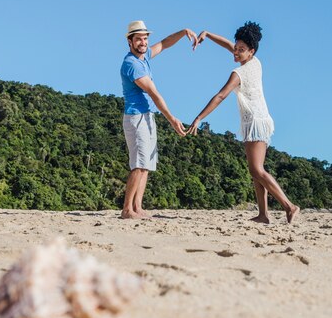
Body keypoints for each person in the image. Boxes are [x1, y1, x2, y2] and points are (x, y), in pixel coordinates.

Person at [187, 22, 299, 224]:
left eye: (240, 50)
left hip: (255, 121)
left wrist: (199, 117)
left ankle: (289, 206)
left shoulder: (239, 73)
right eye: (236, 49)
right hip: (259, 120)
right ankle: (263, 215)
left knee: (257, 169)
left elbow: (220, 96)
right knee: (256, 169)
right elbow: (228, 44)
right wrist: (209, 34)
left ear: (251, 51)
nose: (235, 52)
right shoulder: (255, 61)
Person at [120, 20, 198, 219]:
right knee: (138, 164)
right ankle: (127, 209)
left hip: (147, 116)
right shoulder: (131, 64)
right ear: (130, 42)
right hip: (136, 117)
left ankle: (137, 207)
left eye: (145, 38)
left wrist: (183, 32)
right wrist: (172, 119)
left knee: (146, 165)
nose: (143, 42)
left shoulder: (144, 58)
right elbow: (154, 93)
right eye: (138, 39)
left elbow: (164, 44)